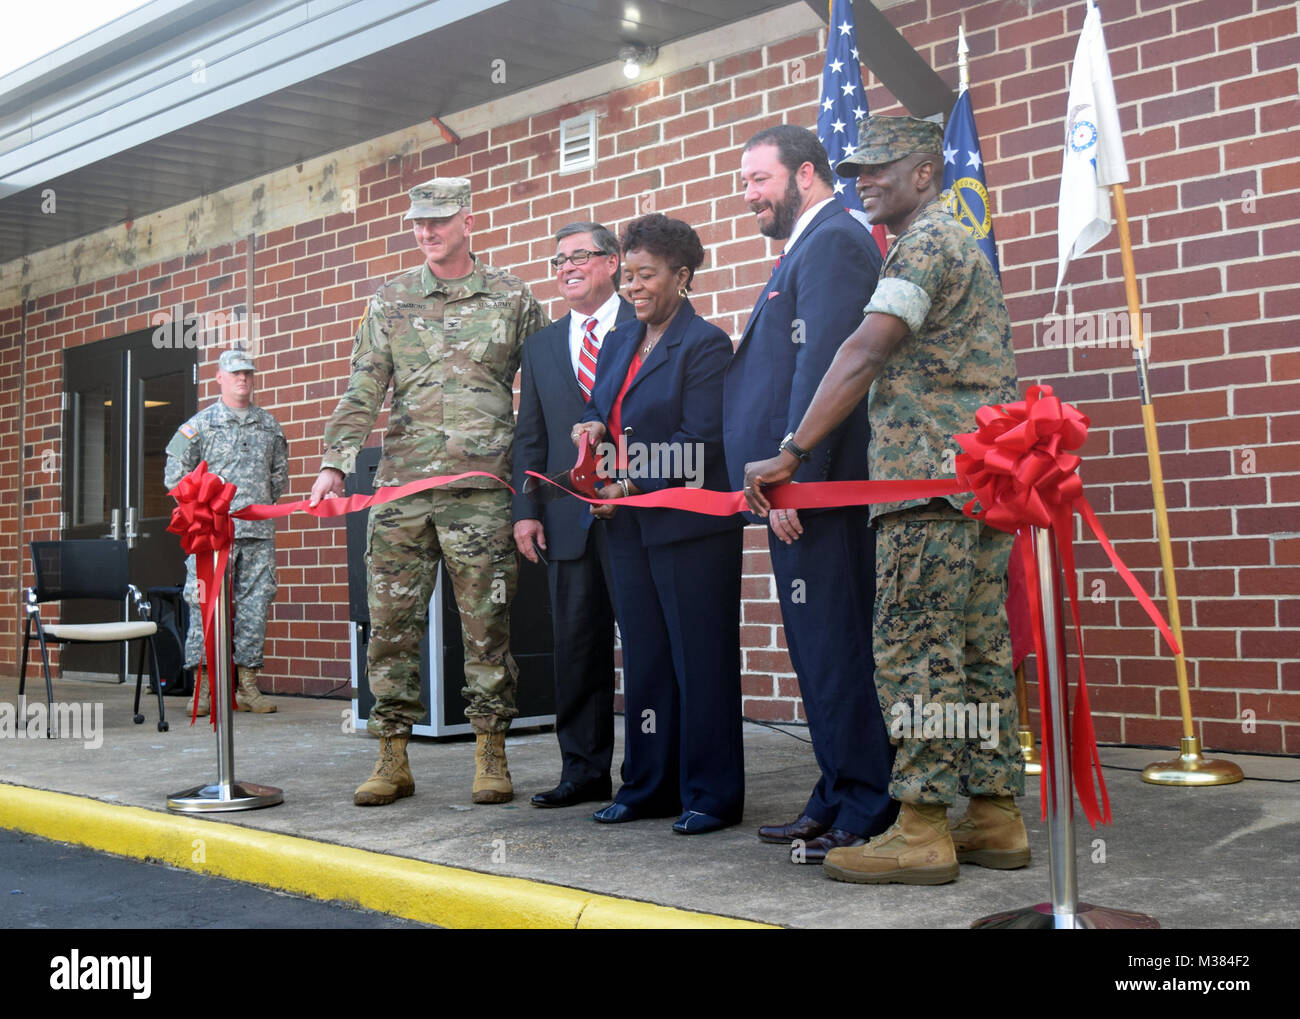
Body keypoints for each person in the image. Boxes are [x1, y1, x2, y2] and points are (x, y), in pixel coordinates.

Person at [743, 115, 1026, 885]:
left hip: (923, 492)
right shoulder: (957, 240)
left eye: (879, 167)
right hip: (970, 487)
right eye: (856, 166)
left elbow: (866, 348)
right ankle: (995, 812)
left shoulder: (925, 244)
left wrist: (794, 450)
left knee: (915, 654)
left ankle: (924, 824)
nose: (862, 178)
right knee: (976, 653)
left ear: (926, 171)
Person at [309, 177, 548, 807]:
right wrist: (335, 462)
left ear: (468, 220)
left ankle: (490, 752)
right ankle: (392, 755)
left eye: (439, 220)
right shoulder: (389, 301)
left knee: (487, 626)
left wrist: (548, 469)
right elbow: (365, 385)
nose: (427, 231)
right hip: (402, 490)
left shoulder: (513, 297)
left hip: (483, 490)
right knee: (389, 625)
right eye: (418, 222)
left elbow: (545, 388)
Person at [725, 124, 896, 864]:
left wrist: (795, 476)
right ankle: (834, 791)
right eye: (743, 184)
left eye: (758, 181)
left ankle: (867, 802)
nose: (749, 197)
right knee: (815, 648)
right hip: (793, 492)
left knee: (837, 645)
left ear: (804, 174)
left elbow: (827, 366)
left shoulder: (830, 242)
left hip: (816, 493)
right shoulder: (808, 245)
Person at [574, 213, 744, 835]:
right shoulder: (620, 340)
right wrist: (592, 426)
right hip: (626, 528)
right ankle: (648, 785)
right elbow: (603, 408)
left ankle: (711, 794)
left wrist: (628, 482)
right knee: (644, 658)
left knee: (700, 661)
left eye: (647, 276)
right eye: (628, 276)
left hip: (689, 530)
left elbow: (698, 444)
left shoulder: (706, 346)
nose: (633, 288)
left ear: (683, 276)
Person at [512, 222, 635, 808]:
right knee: (576, 650)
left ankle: (649, 773)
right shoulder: (540, 346)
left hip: (636, 515)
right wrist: (525, 510)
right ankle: (582, 772)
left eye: (578, 256)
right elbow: (529, 437)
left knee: (645, 650)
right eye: (557, 261)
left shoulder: (644, 324)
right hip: (564, 523)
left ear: (612, 261)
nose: (565, 268)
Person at [165, 347, 288, 715]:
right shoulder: (197, 426)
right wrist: (201, 510)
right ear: (218, 377)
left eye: (248, 373)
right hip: (211, 535)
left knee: (255, 606)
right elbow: (174, 475)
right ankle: (203, 687)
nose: (243, 379)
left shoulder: (270, 426)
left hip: (256, 533)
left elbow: (278, 479)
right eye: (235, 373)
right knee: (205, 603)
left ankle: (247, 685)